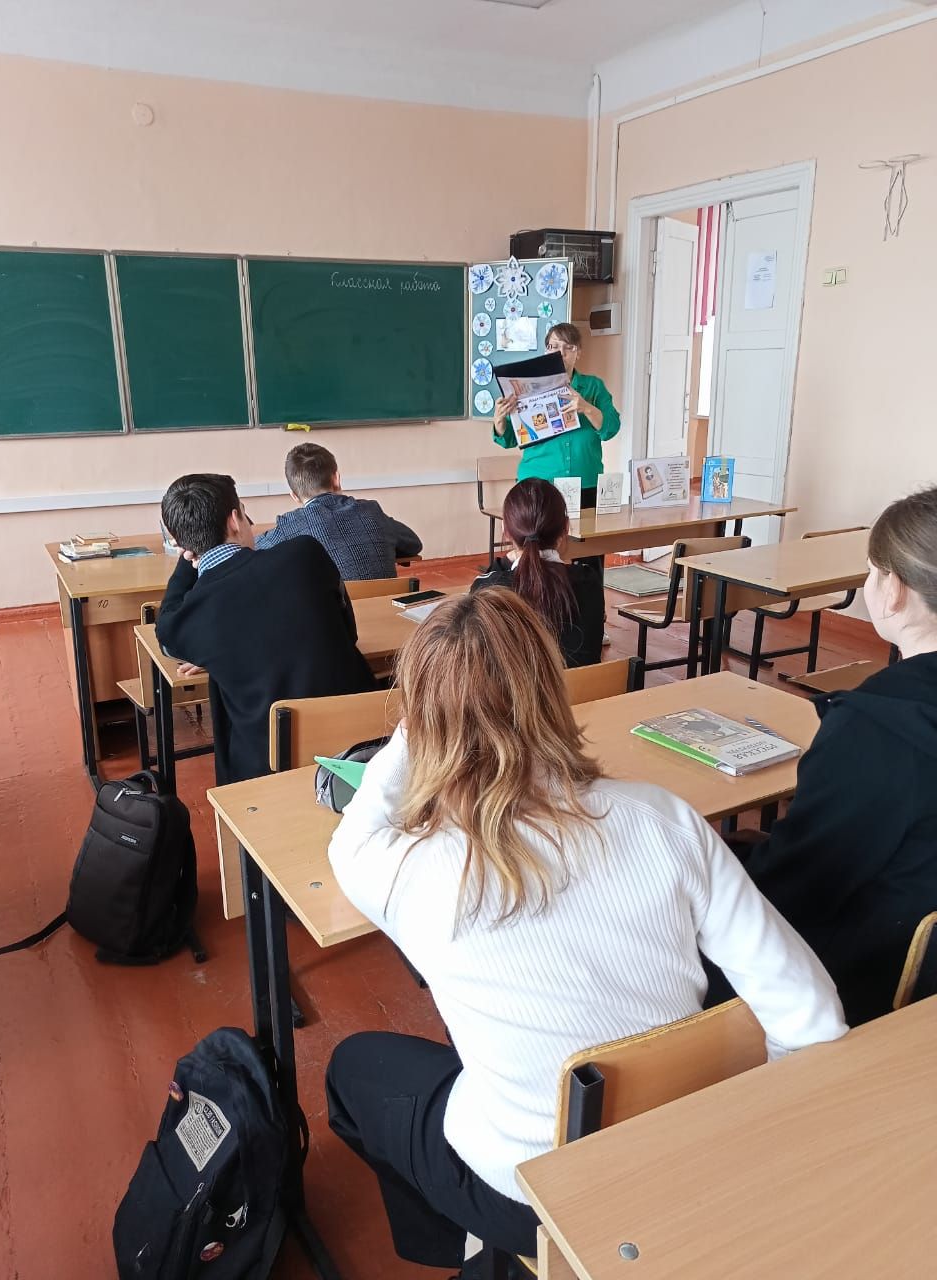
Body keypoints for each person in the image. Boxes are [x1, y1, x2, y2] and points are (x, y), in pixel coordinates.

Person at [324, 589, 846, 1272]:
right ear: (553, 689)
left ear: (421, 724)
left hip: (529, 1192)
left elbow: (354, 834)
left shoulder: (399, 870)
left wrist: (425, 725)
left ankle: (462, 1246)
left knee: (354, 1067)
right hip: (678, 1148)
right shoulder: (665, 818)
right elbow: (812, 1017)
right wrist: (734, 1144)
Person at [721, 485, 937, 1026]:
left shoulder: (877, 729)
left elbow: (798, 890)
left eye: (872, 572)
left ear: (895, 590)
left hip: (863, 989)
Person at [157, 473, 376, 785]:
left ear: (181, 544)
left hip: (268, 769)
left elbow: (167, 629)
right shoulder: (305, 554)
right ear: (235, 520)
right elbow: (348, 633)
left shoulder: (187, 620)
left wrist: (189, 554)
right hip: (362, 744)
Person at [470, 478, 604, 667]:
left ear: (505, 530)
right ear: (566, 527)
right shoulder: (589, 582)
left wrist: (506, 560)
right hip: (582, 686)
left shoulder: (489, 588)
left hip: (516, 688)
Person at [491, 322, 620, 515]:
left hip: (585, 482)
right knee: (537, 534)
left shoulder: (593, 386)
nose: (561, 353)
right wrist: (499, 420)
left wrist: (587, 408)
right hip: (538, 483)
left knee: (586, 535)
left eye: (569, 347)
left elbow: (611, 428)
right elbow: (508, 439)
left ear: (578, 353)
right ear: (546, 351)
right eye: (554, 346)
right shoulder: (525, 386)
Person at [256, 442, 423, 580]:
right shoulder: (371, 511)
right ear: (336, 478)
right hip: (385, 607)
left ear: (294, 495)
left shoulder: (289, 529)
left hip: (332, 611)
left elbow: (250, 552)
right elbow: (413, 544)